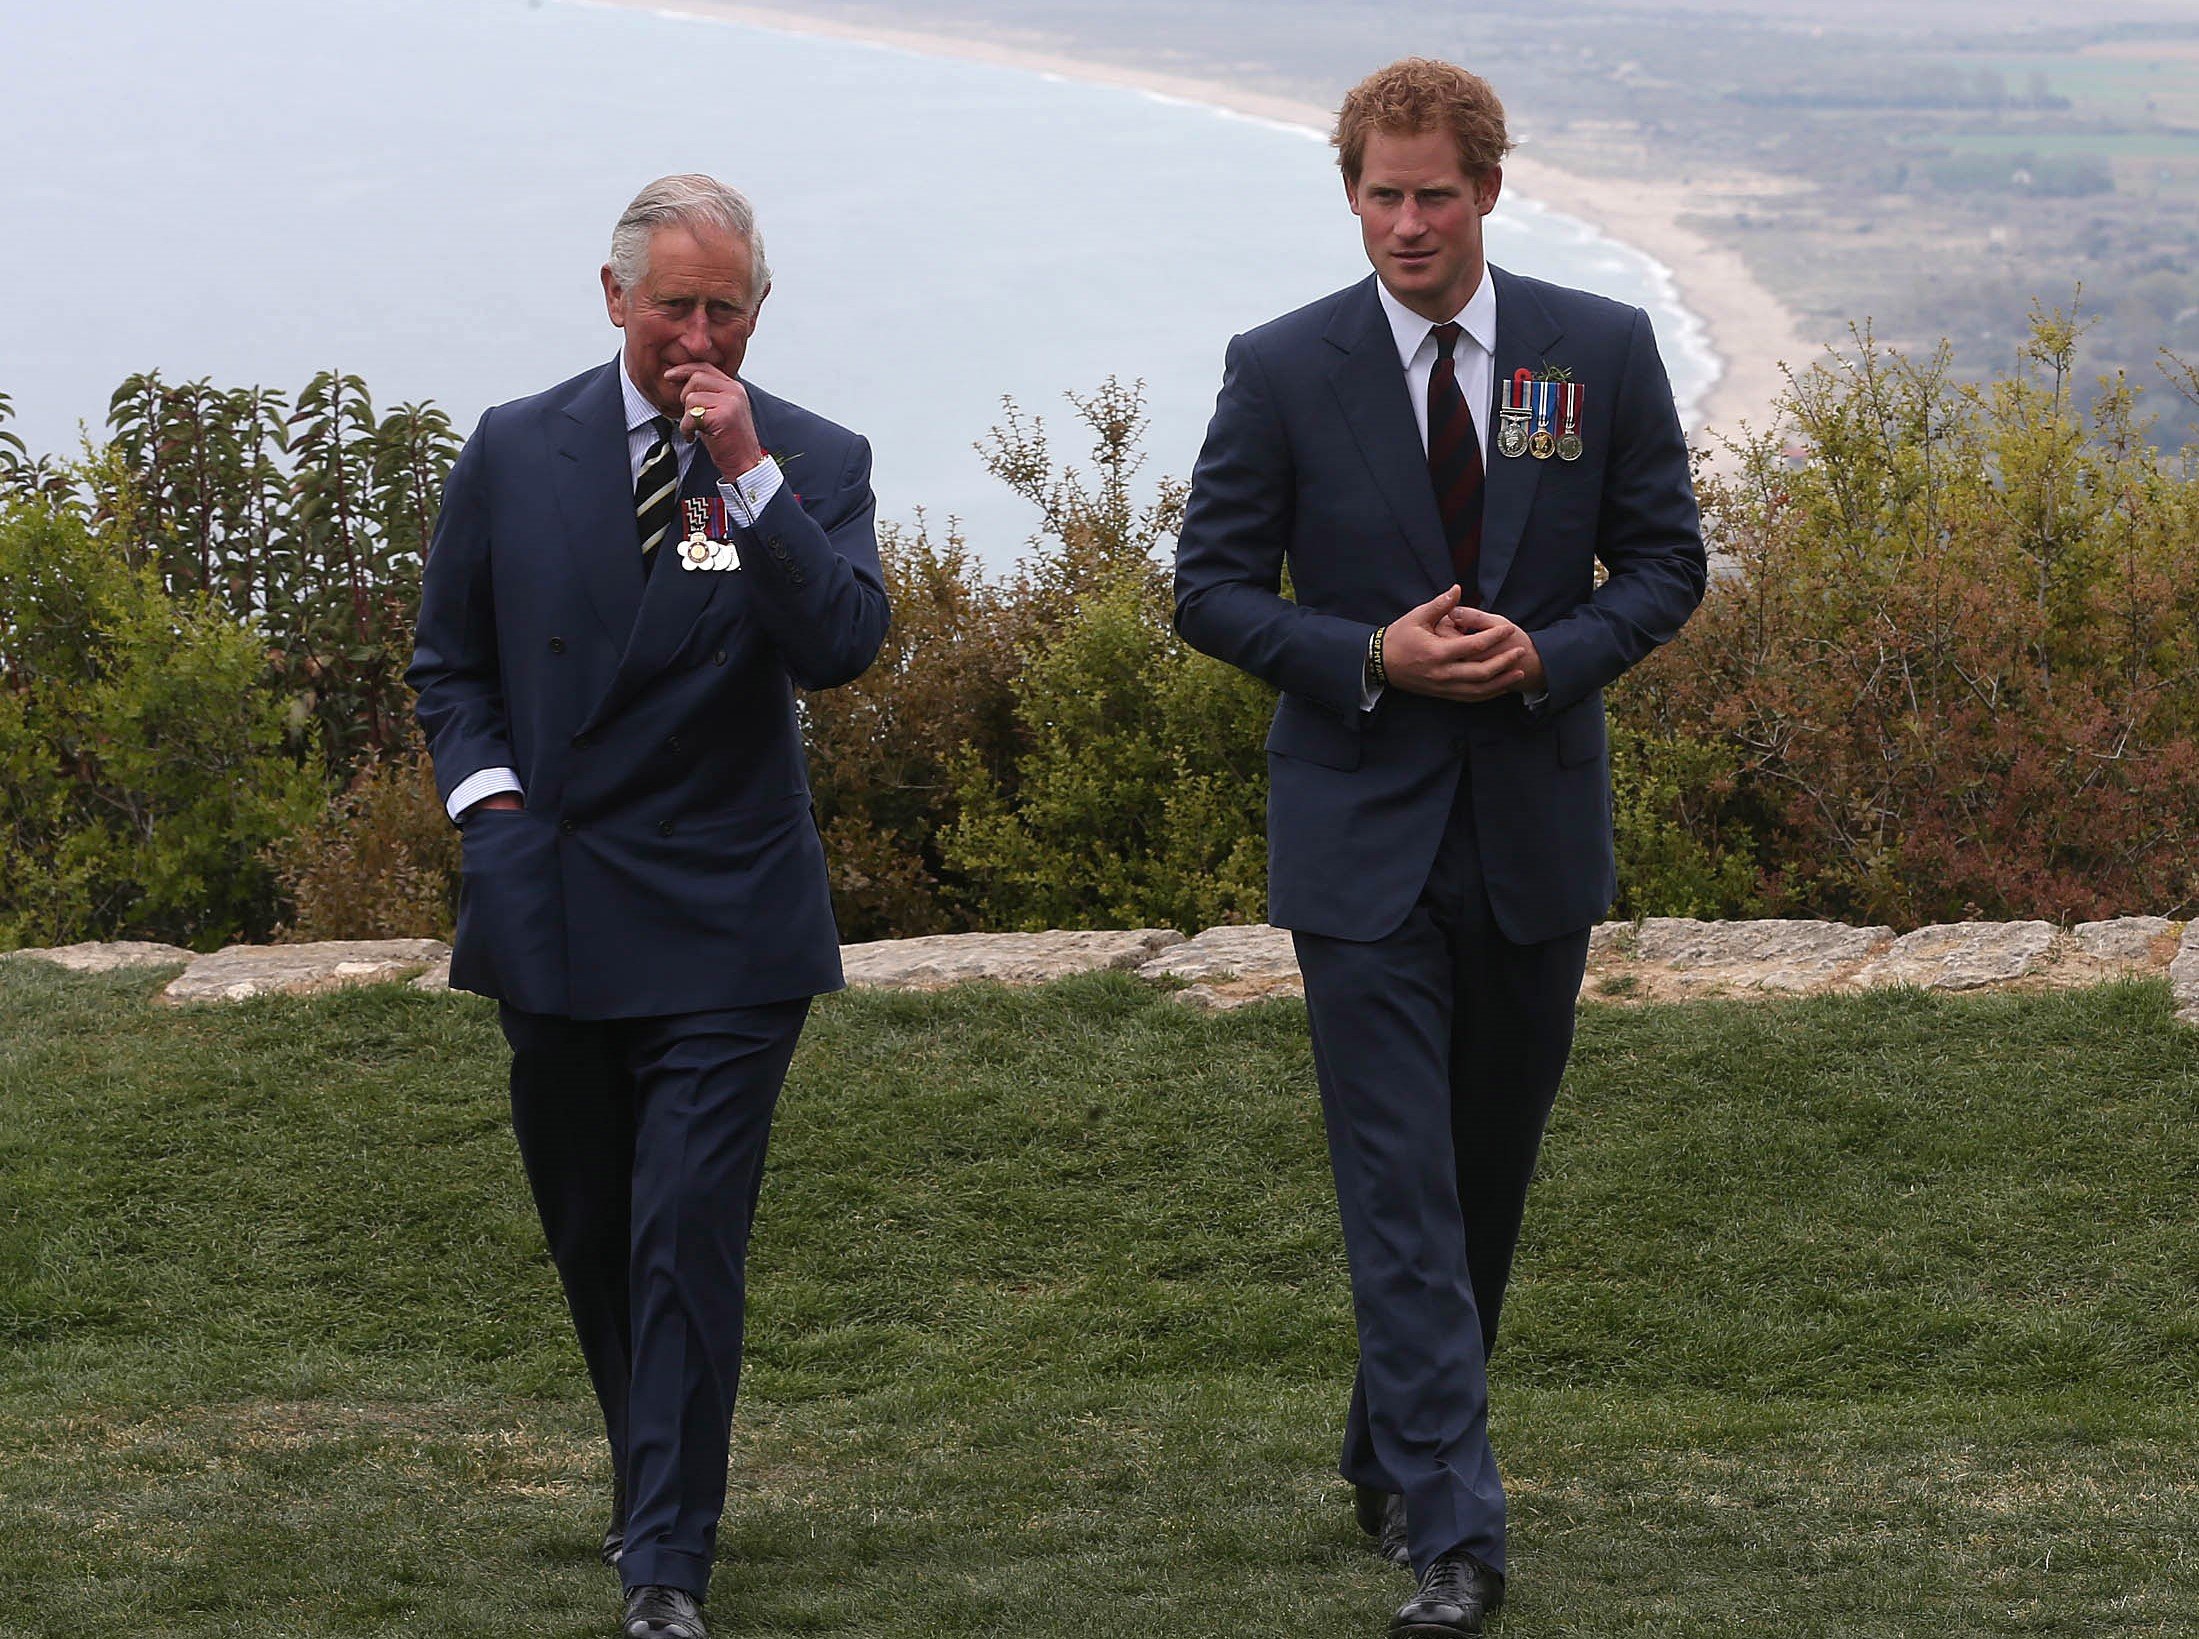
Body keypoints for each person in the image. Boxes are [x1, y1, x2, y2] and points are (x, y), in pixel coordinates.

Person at [1172, 58, 1706, 1638]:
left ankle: (1389, 1449)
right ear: (1350, 193)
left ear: (1489, 188)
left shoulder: (1596, 350)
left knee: (1479, 1183)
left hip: (1534, 835)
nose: (1406, 223)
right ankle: (1456, 1536)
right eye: (1381, 194)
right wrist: (1368, 656)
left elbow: (1667, 558)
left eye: (1434, 193)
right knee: (1399, 1183)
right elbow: (1208, 588)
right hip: (1358, 847)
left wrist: (1555, 653)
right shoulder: (1279, 368)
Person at [408, 173, 889, 1639]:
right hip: (548, 896)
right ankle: (653, 1486)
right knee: (596, 1226)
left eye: (723, 308)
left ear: (758, 310)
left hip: (728, 911)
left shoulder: (809, 454)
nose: (696, 332)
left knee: (686, 1226)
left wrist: (747, 475)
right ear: (613, 296)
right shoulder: (511, 448)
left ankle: (666, 1561)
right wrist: (487, 811)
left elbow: (842, 643)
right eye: (672, 304)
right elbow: (451, 665)